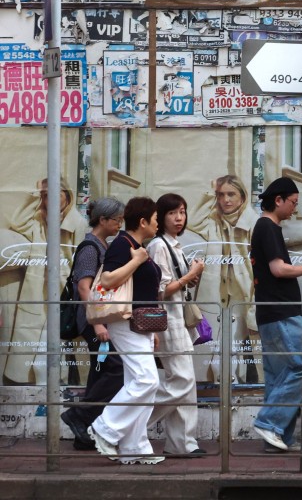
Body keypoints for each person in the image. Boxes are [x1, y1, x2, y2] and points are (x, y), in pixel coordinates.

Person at [250, 177, 302, 453]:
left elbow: (277, 268)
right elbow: (278, 269)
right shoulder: (268, 228)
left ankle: (278, 439)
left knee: (278, 375)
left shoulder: (265, 228)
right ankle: (270, 424)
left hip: (270, 312)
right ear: (278, 200)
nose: (295, 209)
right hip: (281, 311)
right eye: (293, 203)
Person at [87, 197, 165, 465]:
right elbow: (107, 280)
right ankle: (104, 428)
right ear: (143, 222)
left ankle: (135, 447)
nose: (158, 225)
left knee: (141, 384)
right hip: (124, 322)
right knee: (147, 381)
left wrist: (152, 329)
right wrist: (137, 261)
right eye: (155, 220)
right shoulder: (123, 244)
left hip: (141, 324)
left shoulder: (136, 245)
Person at [2, 177, 89, 384]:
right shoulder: (39, 220)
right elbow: (17, 221)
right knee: (41, 349)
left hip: (64, 291)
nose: (49, 200)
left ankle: (56, 394)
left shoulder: (77, 223)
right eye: (45, 196)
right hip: (38, 288)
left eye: (53, 195)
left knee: (56, 348)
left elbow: (80, 258)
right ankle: (48, 394)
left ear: (66, 196)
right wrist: (36, 196)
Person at [60, 198, 128, 450]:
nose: (119, 224)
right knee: (116, 368)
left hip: (96, 319)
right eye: (117, 220)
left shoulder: (101, 245)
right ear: (103, 220)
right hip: (91, 320)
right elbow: (83, 288)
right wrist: (97, 323)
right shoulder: (90, 248)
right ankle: (79, 416)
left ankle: (84, 432)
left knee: (100, 373)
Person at [146, 194, 206, 457]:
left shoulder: (174, 246)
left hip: (178, 320)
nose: (179, 218)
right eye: (172, 213)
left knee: (184, 382)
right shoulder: (158, 246)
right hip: (167, 322)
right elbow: (159, 292)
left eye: (182, 211)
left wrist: (191, 277)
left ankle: (182, 443)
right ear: (161, 217)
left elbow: (176, 286)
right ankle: (129, 424)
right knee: (182, 380)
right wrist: (189, 277)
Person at [190, 175, 261, 384]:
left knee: (232, 349)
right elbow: (193, 222)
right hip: (216, 295)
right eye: (221, 195)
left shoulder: (253, 222)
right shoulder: (214, 221)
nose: (226, 200)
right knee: (221, 348)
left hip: (243, 294)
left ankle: (230, 390)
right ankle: (227, 389)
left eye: (231, 194)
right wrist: (210, 192)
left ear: (242, 197)